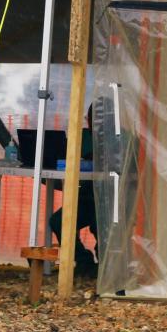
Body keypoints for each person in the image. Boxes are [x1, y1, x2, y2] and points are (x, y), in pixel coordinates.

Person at [48, 105, 99, 278]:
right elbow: (64, 159)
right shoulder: (81, 137)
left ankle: (107, 265)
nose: (95, 123)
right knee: (58, 221)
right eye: (92, 118)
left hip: (111, 201)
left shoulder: (121, 138)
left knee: (103, 226)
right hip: (85, 199)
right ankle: (84, 262)